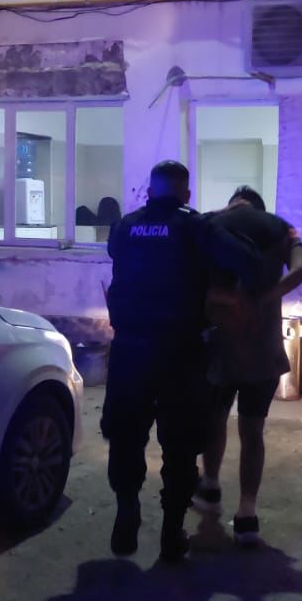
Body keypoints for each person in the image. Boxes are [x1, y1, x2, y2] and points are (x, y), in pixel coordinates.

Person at [103, 161, 267, 563]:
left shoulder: (125, 227)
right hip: (180, 353)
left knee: (126, 435)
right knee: (179, 445)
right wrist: (221, 222)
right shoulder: (196, 227)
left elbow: (118, 253)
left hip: (129, 350)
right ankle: (171, 533)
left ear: (149, 192)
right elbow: (250, 261)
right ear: (187, 194)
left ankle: (127, 506)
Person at [194, 187, 302, 548]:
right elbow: (300, 271)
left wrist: (227, 300)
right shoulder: (282, 228)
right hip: (263, 349)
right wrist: (264, 298)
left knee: (215, 420)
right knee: (252, 431)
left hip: (220, 346)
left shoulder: (211, 224)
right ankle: (247, 515)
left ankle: (210, 487)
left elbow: (191, 281)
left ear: (234, 204)